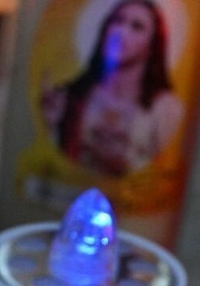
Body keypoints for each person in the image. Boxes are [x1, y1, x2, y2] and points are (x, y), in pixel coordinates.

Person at [40, 0, 183, 176]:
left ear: (152, 45)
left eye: (136, 27)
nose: (120, 32)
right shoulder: (74, 94)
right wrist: (53, 125)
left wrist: (125, 163)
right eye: (117, 21)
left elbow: (167, 173)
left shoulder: (166, 108)